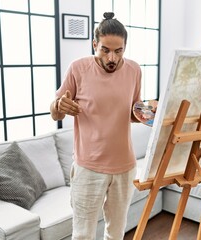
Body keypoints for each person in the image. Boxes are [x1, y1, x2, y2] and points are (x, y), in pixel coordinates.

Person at [50, 12, 141, 240]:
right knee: (83, 235)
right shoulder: (78, 68)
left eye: (118, 51)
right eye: (105, 50)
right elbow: (55, 112)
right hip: (88, 168)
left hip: (125, 168)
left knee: (116, 233)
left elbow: (132, 113)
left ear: (125, 47)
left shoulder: (134, 70)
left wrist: (150, 111)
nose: (112, 57)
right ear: (94, 45)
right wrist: (59, 105)